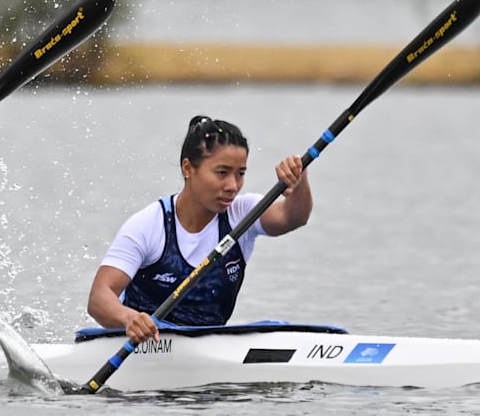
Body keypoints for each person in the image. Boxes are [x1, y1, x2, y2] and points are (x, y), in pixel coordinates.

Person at [87, 115, 312, 344]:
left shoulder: (243, 213)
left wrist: (300, 180)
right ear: (188, 168)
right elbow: (99, 298)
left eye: (240, 173)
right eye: (222, 173)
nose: (233, 186)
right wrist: (129, 318)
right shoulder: (149, 225)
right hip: (143, 348)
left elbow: (292, 217)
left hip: (207, 347)